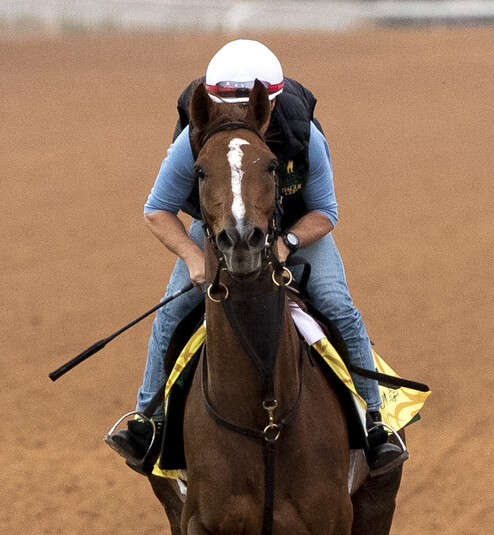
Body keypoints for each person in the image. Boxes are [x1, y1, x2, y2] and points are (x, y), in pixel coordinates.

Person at [105, 38, 406, 476]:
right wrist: (192, 257)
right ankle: (147, 422)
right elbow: (156, 210)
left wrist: (287, 245)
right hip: (217, 232)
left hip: (297, 228)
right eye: (225, 113)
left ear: (268, 109)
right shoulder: (190, 141)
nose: (236, 121)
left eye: (249, 114)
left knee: (338, 306)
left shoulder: (306, 138)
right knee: (171, 314)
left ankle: (375, 424)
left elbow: (326, 212)